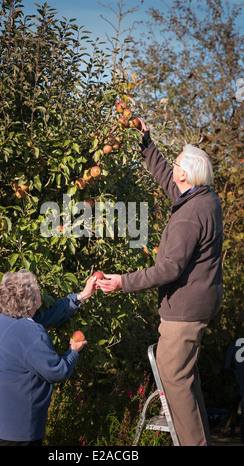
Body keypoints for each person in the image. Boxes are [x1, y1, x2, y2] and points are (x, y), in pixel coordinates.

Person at [96, 121, 223, 446]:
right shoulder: (205, 199)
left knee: (175, 382)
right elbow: (168, 180)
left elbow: (168, 269)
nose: (174, 166)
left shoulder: (187, 216)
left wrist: (123, 282)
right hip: (200, 304)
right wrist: (145, 143)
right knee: (187, 382)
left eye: (177, 162)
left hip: (183, 314)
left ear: (186, 175)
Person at [0, 269, 97, 446]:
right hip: (19, 425)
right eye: (37, 288)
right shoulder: (30, 334)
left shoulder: (0, 318)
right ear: (28, 299)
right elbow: (57, 371)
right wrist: (73, 351)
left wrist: (80, 296)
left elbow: (47, 316)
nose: (40, 289)